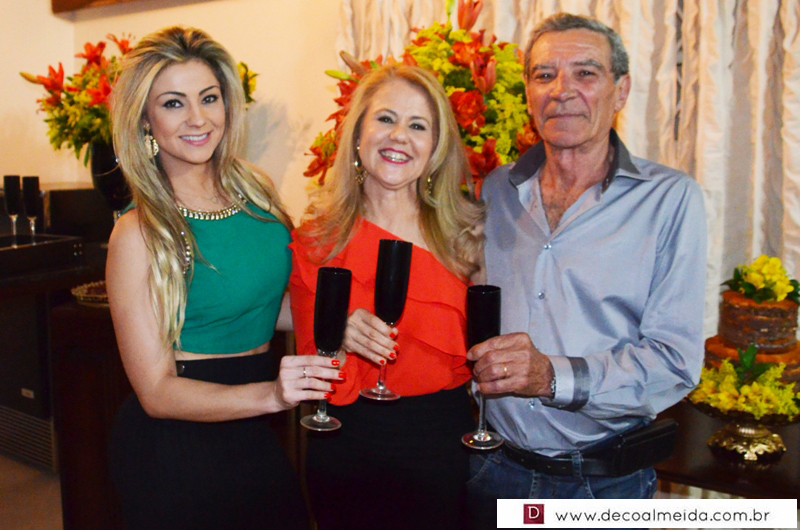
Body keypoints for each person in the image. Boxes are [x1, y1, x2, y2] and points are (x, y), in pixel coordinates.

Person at [466, 12, 707, 522]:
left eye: (585, 73)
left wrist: (551, 376)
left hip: (603, 486)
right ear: (528, 93)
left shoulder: (669, 199)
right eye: (545, 74)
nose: (562, 90)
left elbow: (675, 363)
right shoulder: (496, 191)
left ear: (621, 91)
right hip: (492, 468)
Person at [105, 26, 340, 530]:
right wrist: (272, 395)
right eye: (173, 103)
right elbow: (156, 391)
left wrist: (341, 320)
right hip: (177, 443)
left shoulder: (256, 188)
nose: (198, 118)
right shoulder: (137, 231)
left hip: (254, 421)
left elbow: (261, 305)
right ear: (145, 119)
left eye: (208, 97)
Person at [289, 64, 484, 530]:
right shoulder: (317, 239)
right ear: (358, 133)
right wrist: (336, 330)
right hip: (344, 445)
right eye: (385, 119)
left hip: (439, 447)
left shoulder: (468, 236)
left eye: (418, 126)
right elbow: (307, 361)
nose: (399, 136)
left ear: (435, 146)